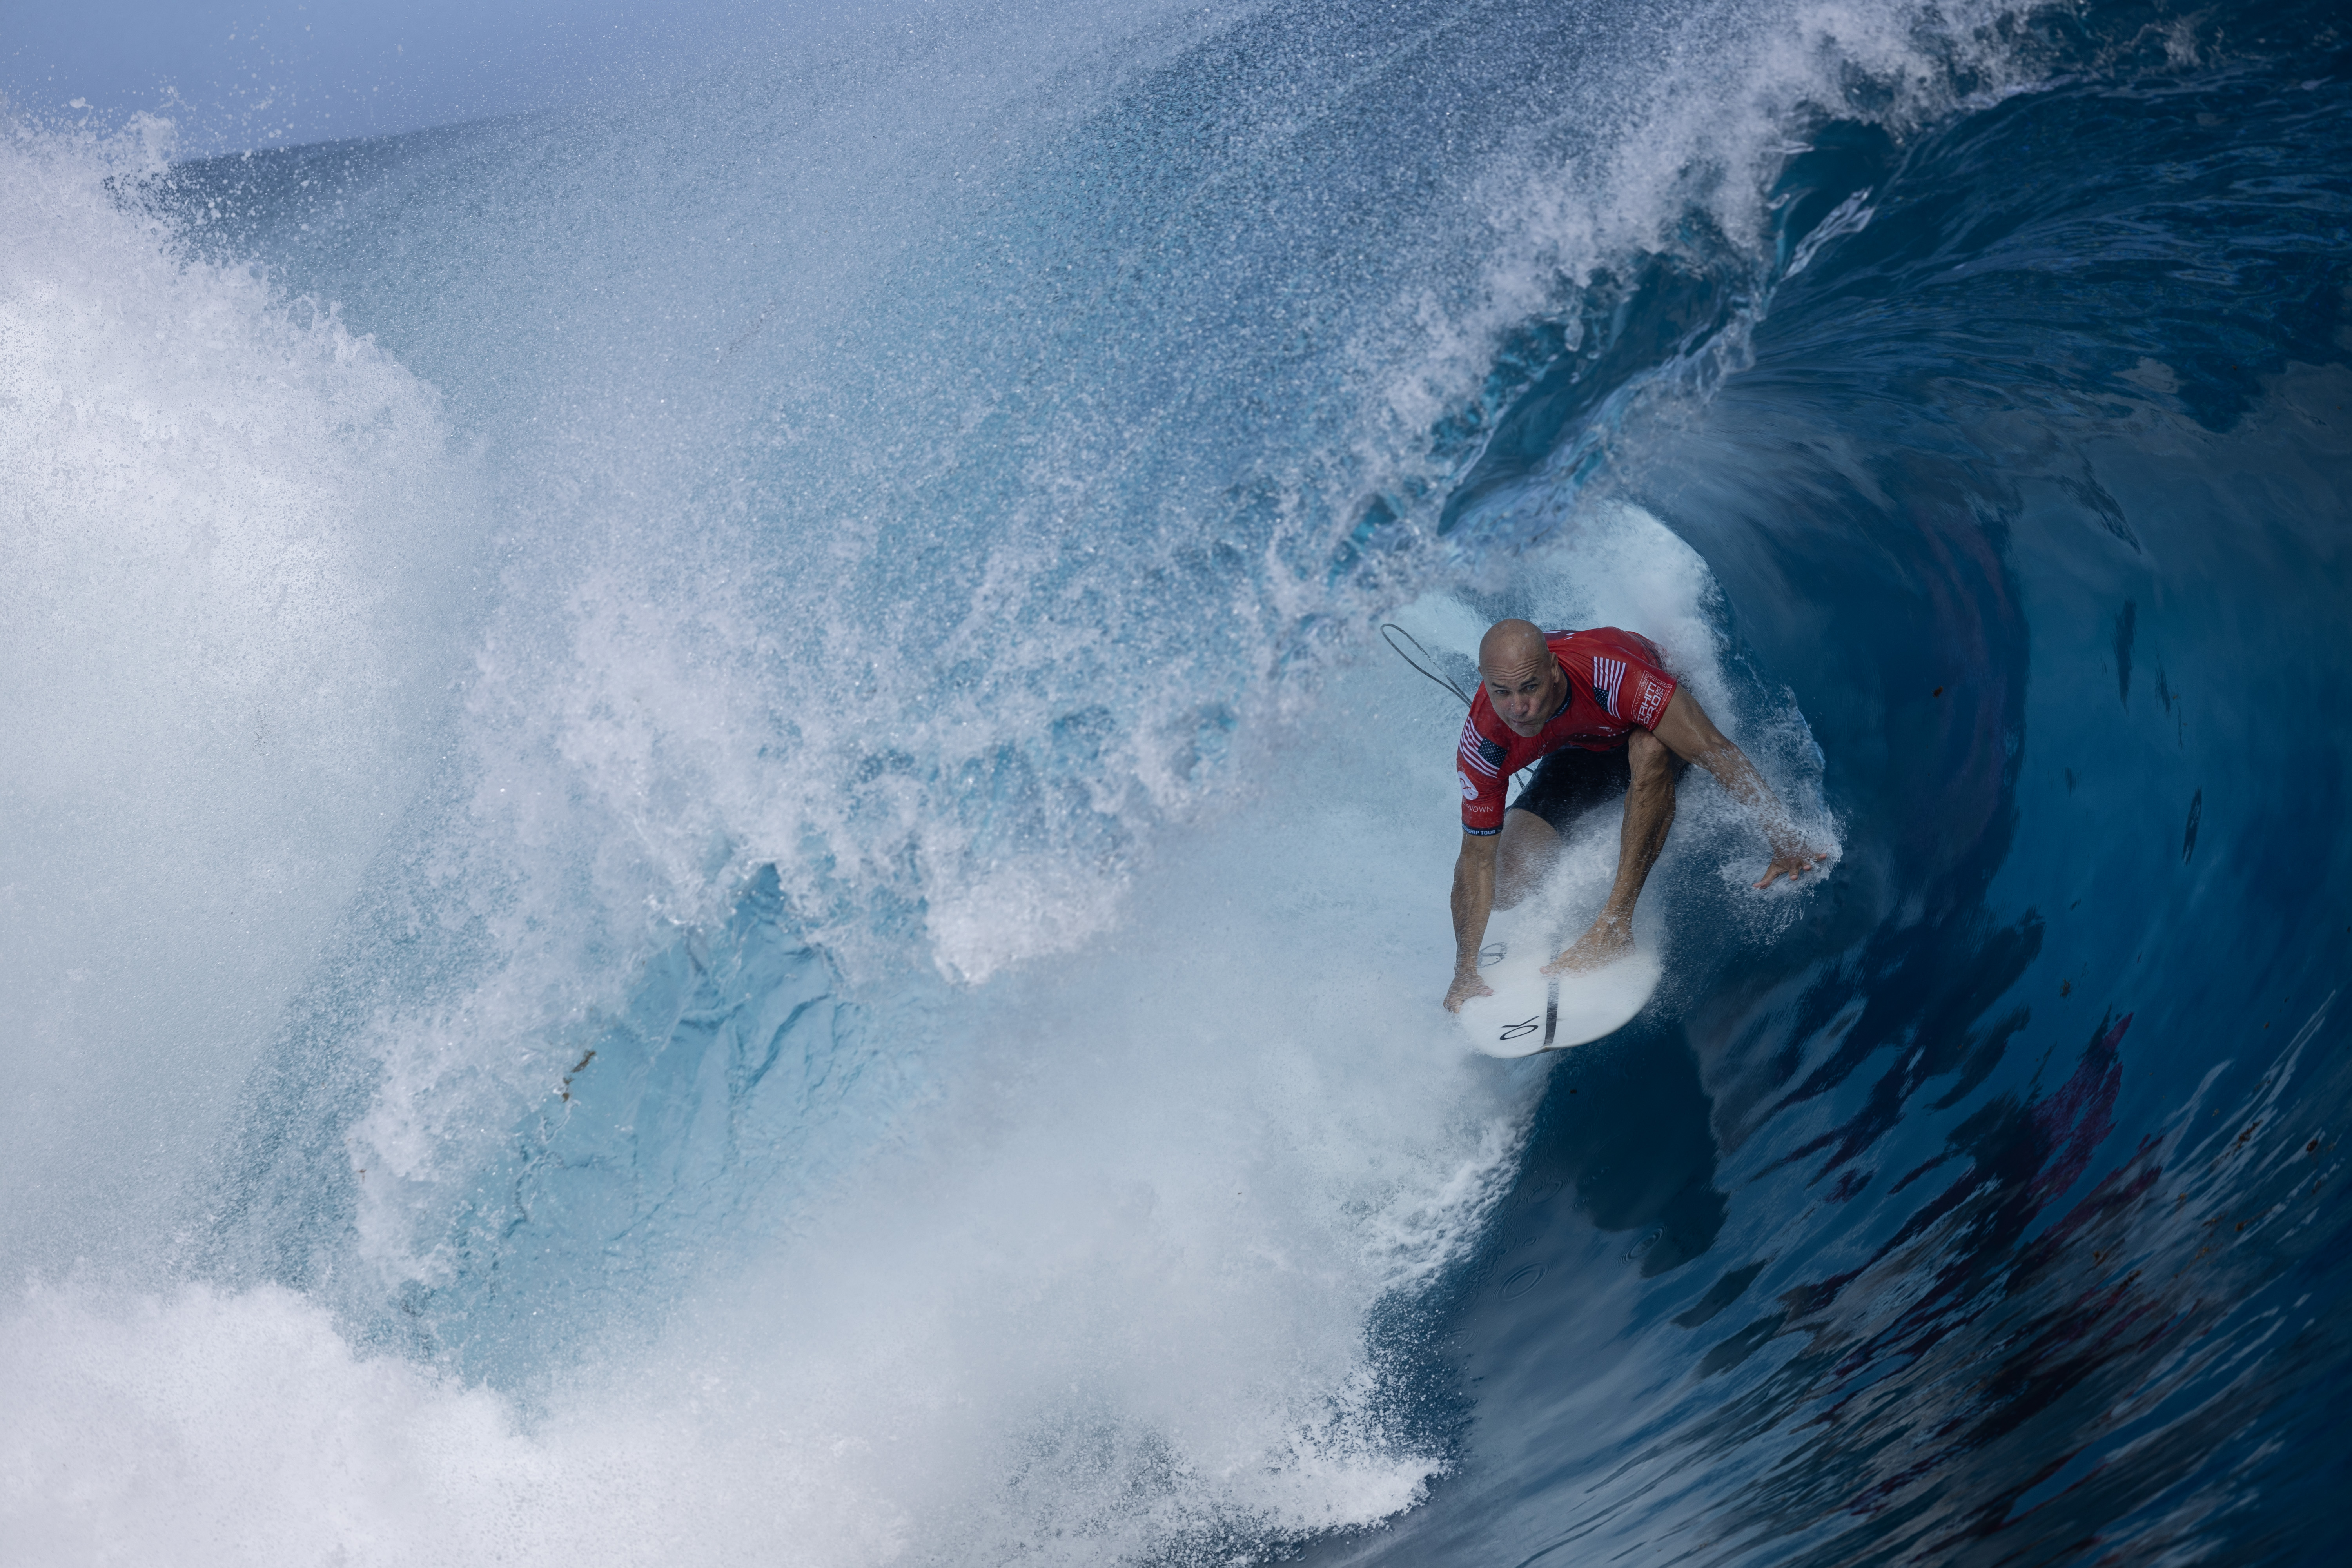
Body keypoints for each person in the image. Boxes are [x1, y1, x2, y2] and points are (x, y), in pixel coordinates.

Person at [1444, 618, 1826, 1013]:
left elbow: (1716, 751)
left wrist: (1784, 840)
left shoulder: (1612, 677)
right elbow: (1475, 858)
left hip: (1642, 727)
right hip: (1580, 746)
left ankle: (1614, 928)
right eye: (1501, 692)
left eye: (1530, 688)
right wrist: (1464, 970)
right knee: (1506, 887)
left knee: (1649, 749)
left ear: (1553, 671)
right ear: (1485, 682)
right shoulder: (1485, 739)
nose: (1518, 708)